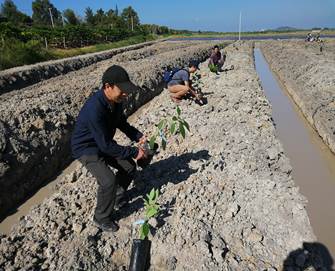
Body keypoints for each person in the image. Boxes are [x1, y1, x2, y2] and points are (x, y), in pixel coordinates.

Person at [71, 65, 146, 232]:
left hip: (102, 143)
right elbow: (105, 145)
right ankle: (101, 217)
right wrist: (134, 152)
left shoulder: (116, 102)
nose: (126, 94)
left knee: (129, 167)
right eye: (123, 90)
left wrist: (138, 136)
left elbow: (121, 123)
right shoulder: (94, 108)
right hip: (86, 148)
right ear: (107, 87)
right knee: (108, 181)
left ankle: (117, 196)